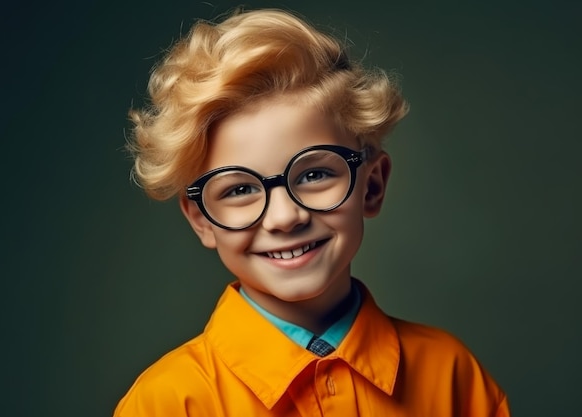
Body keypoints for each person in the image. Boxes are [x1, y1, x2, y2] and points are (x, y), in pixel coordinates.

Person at [114, 8, 510, 417]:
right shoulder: (167, 403)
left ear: (371, 186)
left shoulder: (452, 377)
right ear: (201, 219)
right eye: (240, 189)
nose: (285, 217)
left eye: (314, 174)